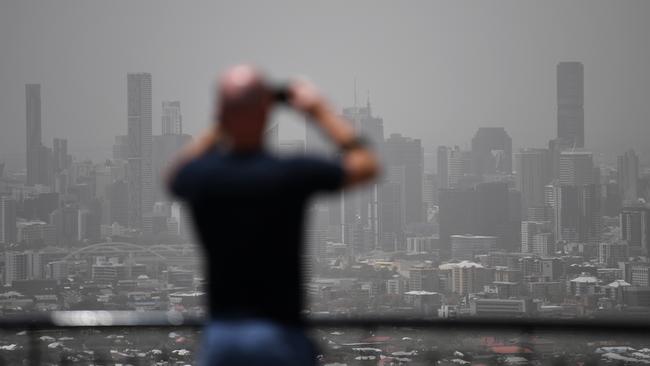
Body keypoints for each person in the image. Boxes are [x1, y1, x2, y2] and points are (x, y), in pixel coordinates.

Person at [167, 65, 379, 366]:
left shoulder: (203, 177)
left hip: (223, 339)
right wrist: (318, 111)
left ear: (222, 114)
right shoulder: (290, 173)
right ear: (266, 115)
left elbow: (175, 174)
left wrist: (226, 120)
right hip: (280, 336)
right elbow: (366, 165)